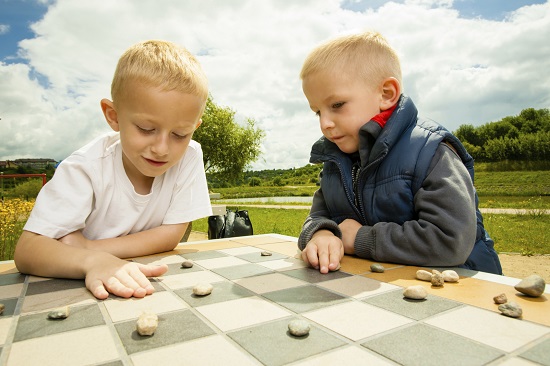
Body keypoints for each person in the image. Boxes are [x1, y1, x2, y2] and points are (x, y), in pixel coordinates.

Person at [14, 40, 212, 299]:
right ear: (113, 115)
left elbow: (171, 234)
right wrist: (92, 262)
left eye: (180, 133)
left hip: (142, 284)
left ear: (194, 127)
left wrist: (90, 248)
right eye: (145, 128)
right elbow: (27, 251)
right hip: (75, 292)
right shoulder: (84, 168)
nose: (162, 148)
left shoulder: (190, 155)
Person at [297, 31, 502, 275]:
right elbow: (318, 216)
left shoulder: (430, 151)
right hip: (385, 285)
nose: (325, 124)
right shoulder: (335, 163)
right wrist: (321, 233)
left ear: (386, 94)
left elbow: (449, 240)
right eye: (318, 112)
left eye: (337, 105)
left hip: (462, 287)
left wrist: (360, 239)